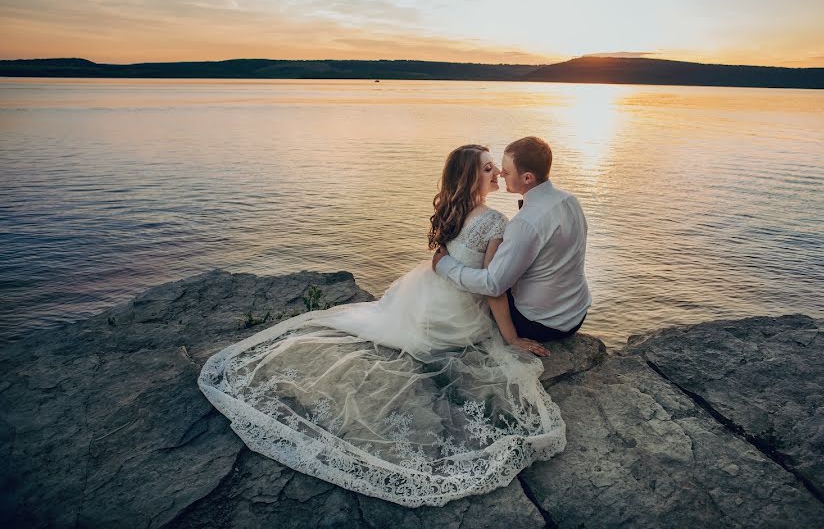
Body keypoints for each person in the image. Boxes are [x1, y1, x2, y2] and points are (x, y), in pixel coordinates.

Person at [198, 144, 565, 508]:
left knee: (375, 321)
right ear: (471, 178)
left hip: (424, 295)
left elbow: (450, 263)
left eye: (496, 168)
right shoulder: (495, 222)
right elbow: (493, 291)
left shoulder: (453, 210)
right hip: (453, 312)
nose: (497, 173)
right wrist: (511, 337)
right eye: (488, 169)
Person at [433, 136, 591, 342]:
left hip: (542, 323)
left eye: (506, 171)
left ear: (527, 178)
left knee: (486, 286)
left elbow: (494, 285)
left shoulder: (524, 223)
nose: (500, 173)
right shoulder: (570, 200)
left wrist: (445, 265)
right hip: (576, 312)